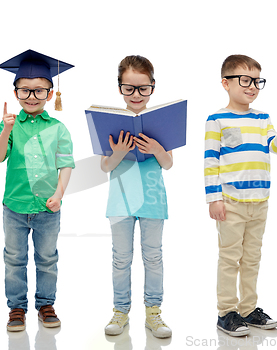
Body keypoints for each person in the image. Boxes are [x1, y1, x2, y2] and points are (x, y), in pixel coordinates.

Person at [204, 54, 277, 336]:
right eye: (245, 80)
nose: (252, 86)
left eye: (257, 81)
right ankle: (227, 312)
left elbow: (276, 148)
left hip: (260, 202)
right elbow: (210, 161)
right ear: (225, 83)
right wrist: (214, 198)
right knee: (230, 258)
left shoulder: (263, 118)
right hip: (231, 202)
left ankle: (248, 309)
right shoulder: (216, 119)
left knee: (252, 258)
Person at [0, 49, 75, 332]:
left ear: (51, 94)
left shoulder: (58, 128)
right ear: (15, 93)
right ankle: (16, 308)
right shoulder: (11, 126)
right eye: (25, 91)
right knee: (14, 258)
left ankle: (46, 305)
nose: (31, 97)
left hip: (47, 208)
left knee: (47, 258)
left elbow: (66, 165)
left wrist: (59, 194)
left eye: (39, 91)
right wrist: (5, 130)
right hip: (14, 206)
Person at [101, 55, 173, 338]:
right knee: (121, 258)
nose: (136, 95)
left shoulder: (161, 121)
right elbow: (105, 166)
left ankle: (154, 313)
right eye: (129, 88)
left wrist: (156, 148)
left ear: (153, 87)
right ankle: (120, 311)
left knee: (153, 257)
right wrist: (117, 153)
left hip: (153, 199)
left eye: (143, 88)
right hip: (120, 200)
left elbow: (168, 164)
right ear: (120, 87)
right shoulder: (110, 121)